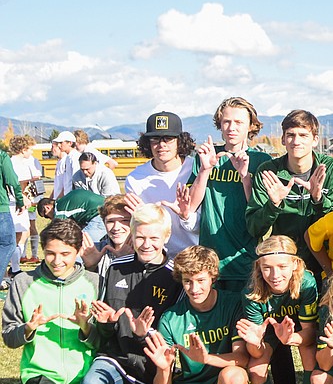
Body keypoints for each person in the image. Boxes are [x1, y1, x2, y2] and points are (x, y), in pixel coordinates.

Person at [82, 203, 182, 384]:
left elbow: (175, 334)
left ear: (166, 236)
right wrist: (108, 323)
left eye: (153, 238)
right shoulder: (115, 267)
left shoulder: (176, 275)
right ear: (132, 235)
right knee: (92, 383)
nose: (146, 244)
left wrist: (145, 334)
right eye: (140, 237)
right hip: (116, 356)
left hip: (153, 364)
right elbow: (105, 327)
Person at [2, 218, 98, 384]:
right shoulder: (22, 282)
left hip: (80, 377)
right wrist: (28, 328)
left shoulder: (95, 282)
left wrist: (85, 326)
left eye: (65, 254)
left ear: (78, 252)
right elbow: (9, 338)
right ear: (43, 249)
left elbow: (103, 341)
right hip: (41, 372)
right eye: (51, 253)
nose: (57, 260)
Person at [138, 245, 250, 384]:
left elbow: (242, 359)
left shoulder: (233, 304)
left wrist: (206, 359)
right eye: (187, 281)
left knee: (235, 377)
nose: (194, 288)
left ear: (213, 278)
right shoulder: (171, 317)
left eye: (200, 280)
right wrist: (163, 368)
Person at [235, 235, 320, 384]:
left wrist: (292, 338)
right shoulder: (252, 291)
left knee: (310, 357)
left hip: (297, 331)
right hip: (269, 332)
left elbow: (310, 333)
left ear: (295, 264)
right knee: (256, 368)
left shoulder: (307, 283)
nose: (275, 275)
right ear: (258, 268)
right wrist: (254, 342)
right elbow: (256, 352)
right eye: (267, 268)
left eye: (282, 266)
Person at [183, 96, 271, 292]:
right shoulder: (207, 156)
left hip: (245, 258)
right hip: (210, 258)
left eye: (239, 122)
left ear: (251, 126)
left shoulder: (261, 160)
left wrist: (245, 176)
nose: (232, 127)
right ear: (219, 125)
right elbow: (190, 206)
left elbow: (259, 213)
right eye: (226, 122)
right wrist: (205, 169)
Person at [246, 109, 333, 276]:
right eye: (291, 135)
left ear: (315, 140)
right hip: (284, 263)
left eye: (303, 135)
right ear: (283, 140)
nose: (296, 141)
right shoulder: (269, 171)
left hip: (325, 260)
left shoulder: (329, 168)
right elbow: (254, 228)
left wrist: (318, 199)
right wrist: (274, 205)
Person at [124, 111, 199, 255]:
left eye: (169, 138)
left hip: (194, 255)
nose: (161, 145)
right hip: (157, 257)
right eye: (155, 139)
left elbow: (205, 224)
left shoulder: (196, 171)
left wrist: (186, 215)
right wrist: (143, 217)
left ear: (180, 141)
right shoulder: (135, 179)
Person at [9, 135, 44, 267]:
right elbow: (18, 185)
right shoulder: (16, 164)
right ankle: (14, 266)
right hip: (17, 204)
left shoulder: (19, 163)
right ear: (23, 149)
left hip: (21, 202)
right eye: (29, 149)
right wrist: (24, 198)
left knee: (23, 232)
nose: (31, 152)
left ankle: (15, 265)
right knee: (21, 233)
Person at [80, 195, 134, 275]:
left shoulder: (144, 250)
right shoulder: (94, 250)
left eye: (124, 220)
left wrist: (127, 261)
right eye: (110, 221)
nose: (116, 228)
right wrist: (90, 267)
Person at [36, 189, 107, 245]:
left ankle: (76, 263)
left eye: (46, 216)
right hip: (106, 208)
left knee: (82, 244)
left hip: (99, 214)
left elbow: (58, 230)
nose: (49, 218)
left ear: (47, 207)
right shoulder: (64, 201)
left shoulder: (59, 210)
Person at [0, 147, 25, 286]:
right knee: (7, 244)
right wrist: (20, 201)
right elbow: (13, 181)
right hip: (1, 207)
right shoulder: (2, 156)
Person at [50, 131, 80, 199]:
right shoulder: (68, 157)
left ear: (70, 143)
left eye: (61, 143)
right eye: (58, 143)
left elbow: (76, 180)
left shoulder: (75, 157)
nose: (59, 145)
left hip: (72, 197)